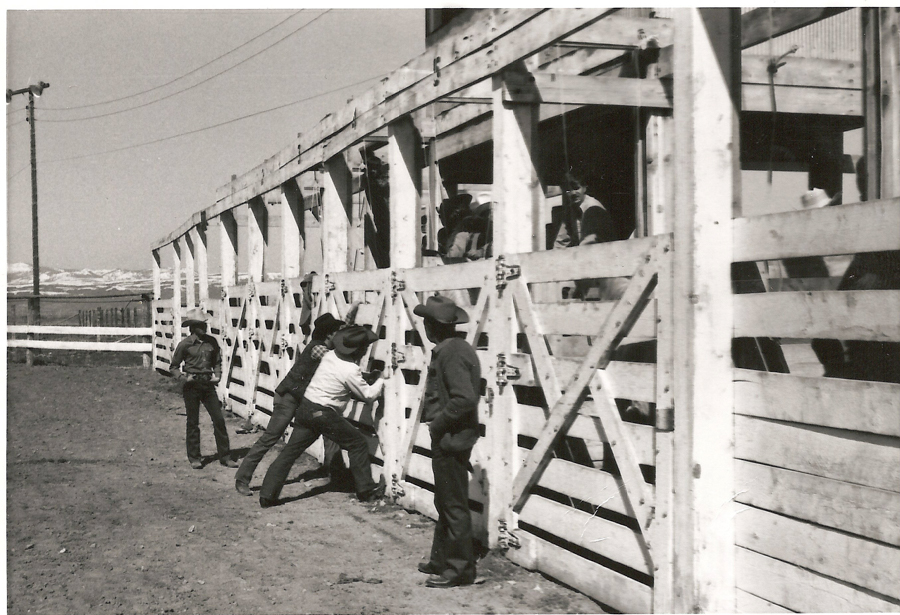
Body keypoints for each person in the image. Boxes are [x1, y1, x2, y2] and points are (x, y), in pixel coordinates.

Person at [257, 325, 386, 507]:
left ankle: (267, 495)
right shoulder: (350, 370)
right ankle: (366, 491)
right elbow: (369, 395)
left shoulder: (330, 355)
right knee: (357, 444)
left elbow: (342, 376)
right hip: (323, 413)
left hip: (306, 408)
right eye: (364, 349)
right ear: (359, 350)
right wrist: (381, 379)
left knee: (290, 452)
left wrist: (366, 376)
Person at [234, 313, 345, 496]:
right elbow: (339, 364)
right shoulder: (319, 349)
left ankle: (337, 475)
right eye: (336, 333)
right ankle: (242, 478)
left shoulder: (323, 347)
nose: (339, 337)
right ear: (329, 335)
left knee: (329, 431)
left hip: (302, 400)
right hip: (289, 398)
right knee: (271, 436)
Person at [412, 296, 481, 588]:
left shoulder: (452, 353)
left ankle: (459, 570)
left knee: (453, 504)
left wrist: (438, 424)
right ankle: (441, 560)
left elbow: (464, 398)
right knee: (445, 499)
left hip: (451, 438)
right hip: (450, 436)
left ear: (432, 327)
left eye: (427, 322)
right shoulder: (452, 348)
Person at [169, 308, 238, 469]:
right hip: (191, 386)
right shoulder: (184, 345)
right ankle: (194, 458)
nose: (205, 328)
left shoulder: (212, 342)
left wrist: (218, 375)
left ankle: (225, 456)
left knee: (219, 419)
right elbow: (173, 367)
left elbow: (217, 361)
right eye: (201, 325)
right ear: (192, 327)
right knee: (193, 421)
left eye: (204, 324)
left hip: (208, 385)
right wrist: (184, 378)